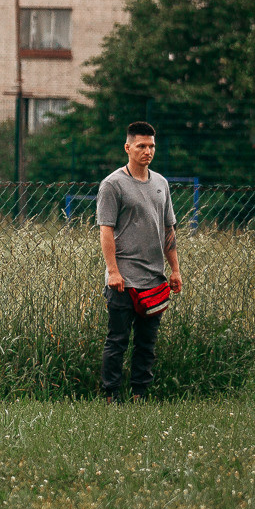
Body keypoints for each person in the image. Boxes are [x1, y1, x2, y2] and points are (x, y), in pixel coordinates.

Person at [97, 121, 182, 402]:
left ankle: (139, 394)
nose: (147, 151)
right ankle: (111, 395)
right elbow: (106, 229)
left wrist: (175, 270)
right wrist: (113, 272)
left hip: (154, 279)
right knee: (117, 341)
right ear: (128, 148)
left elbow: (169, 229)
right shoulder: (113, 184)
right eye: (141, 146)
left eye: (152, 146)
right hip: (123, 280)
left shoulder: (161, 184)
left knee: (147, 344)